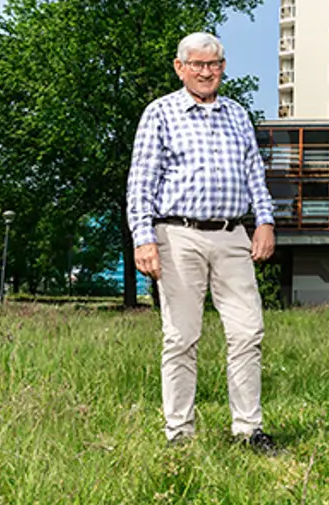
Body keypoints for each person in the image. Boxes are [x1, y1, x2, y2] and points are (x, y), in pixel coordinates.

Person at [127, 31, 278, 454]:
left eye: (213, 64)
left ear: (223, 68)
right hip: (177, 235)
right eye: (197, 64)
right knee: (181, 337)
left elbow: (254, 174)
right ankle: (180, 436)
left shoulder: (237, 114)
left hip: (233, 235)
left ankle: (249, 430)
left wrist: (264, 221)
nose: (206, 72)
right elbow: (141, 181)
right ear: (180, 68)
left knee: (248, 331)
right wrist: (143, 238)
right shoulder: (159, 113)